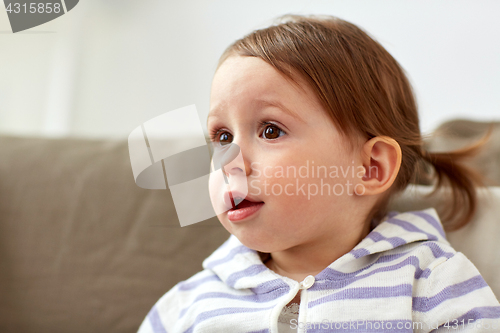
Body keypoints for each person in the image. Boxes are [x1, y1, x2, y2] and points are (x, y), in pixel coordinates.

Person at [137, 15, 500, 332]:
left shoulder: (431, 281)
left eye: (271, 131)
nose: (230, 161)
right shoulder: (191, 303)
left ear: (371, 168)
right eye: (222, 137)